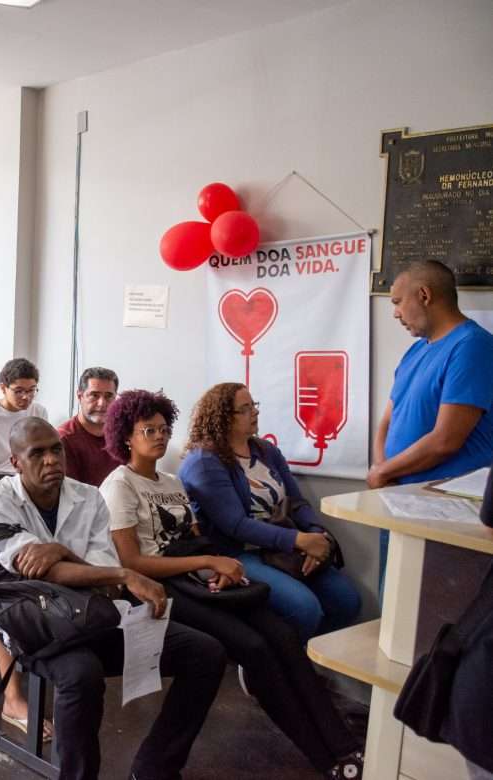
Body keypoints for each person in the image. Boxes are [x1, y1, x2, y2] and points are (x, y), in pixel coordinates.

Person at [103, 390, 364, 779]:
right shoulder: (120, 485)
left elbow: (196, 541)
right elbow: (132, 563)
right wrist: (210, 561)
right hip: (158, 586)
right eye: (148, 430)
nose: (159, 437)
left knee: (283, 636)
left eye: (163, 429)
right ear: (126, 436)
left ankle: (342, 745)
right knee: (254, 648)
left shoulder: (171, 481)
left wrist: (219, 567)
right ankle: (327, 758)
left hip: (197, 578)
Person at [0, 418, 225, 780]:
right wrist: (120, 574)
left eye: (56, 449)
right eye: (37, 453)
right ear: (15, 462)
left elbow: (101, 576)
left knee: (206, 653)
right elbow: (35, 571)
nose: (51, 460)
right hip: (35, 623)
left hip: (94, 614)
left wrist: (62, 553)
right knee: (82, 674)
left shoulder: (88, 496)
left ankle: (155, 767)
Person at [179, 382, 361, 641]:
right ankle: (286, 660)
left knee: (347, 600)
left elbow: (296, 502)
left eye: (254, 405)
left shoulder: (265, 450)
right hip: (238, 552)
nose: (254, 412)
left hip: (281, 546)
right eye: (244, 409)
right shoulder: (204, 462)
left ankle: (307, 656)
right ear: (223, 417)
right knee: (305, 609)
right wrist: (298, 540)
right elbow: (236, 525)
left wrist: (317, 535)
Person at [370, 261, 493, 489]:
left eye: (397, 302)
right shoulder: (415, 351)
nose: (395, 313)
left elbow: (445, 441)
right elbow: (387, 420)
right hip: (396, 492)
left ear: (424, 295)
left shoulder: (472, 346)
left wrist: (383, 472)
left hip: (444, 501)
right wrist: (381, 470)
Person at [0, 357, 48, 475]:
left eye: (31, 390)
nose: (26, 397)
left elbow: (44, 454)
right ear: (3, 388)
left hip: (29, 477)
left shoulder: (39, 412)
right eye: (19, 391)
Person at [58, 366, 122, 487]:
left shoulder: (122, 435)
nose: (102, 403)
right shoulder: (64, 439)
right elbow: (70, 492)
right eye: (94, 395)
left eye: (109, 396)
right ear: (80, 396)